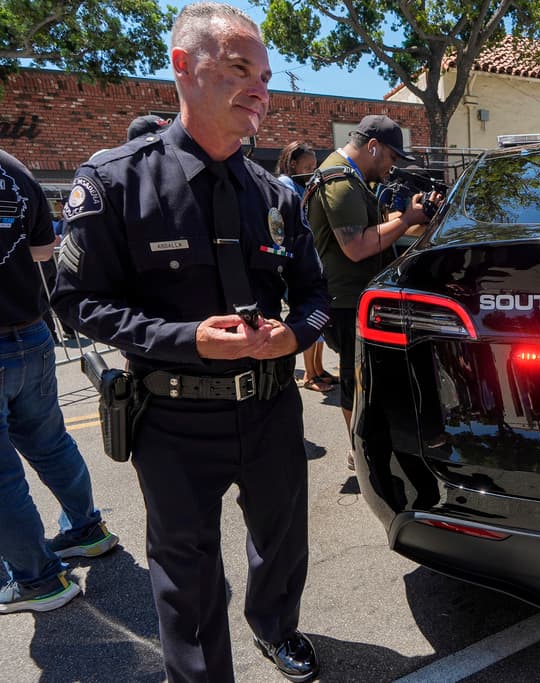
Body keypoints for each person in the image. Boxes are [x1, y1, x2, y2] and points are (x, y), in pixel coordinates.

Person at [51, 3, 329, 680]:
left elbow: (319, 299)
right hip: (173, 415)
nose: (259, 89)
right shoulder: (116, 181)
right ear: (182, 65)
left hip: (270, 407)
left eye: (264, 76)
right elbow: (76, 301)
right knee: (187, 570)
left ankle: (276, 627)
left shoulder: (276, 195)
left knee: (283, 540)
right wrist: (186, 339)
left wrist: (293, 335)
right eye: (239, 68)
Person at [0, 149, 119, 614]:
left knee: (4, 476)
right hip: (29, 330)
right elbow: (43, 249)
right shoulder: (11, 167)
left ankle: (37, 579)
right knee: (49, 442)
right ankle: (86, 529)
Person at [304, 114, 435, 448]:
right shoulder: (340, 181)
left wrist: (412, 216)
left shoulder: (354, 179)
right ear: (373, 147)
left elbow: (370, 227)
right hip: (346, 301)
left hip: (355, 297)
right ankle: (358, 450)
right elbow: (357, 246)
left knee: (366, 377)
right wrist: (406, 220)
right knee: (355, 378)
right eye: (392, 156)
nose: (392, 166)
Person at [275, 141, 335, 393]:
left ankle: (319, 368)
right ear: (292, 164)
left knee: (320, 314)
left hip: (313, 257)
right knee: (308, 314)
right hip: (297, 262)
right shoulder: (285, 185)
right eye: (307, 166)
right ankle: (309, 374)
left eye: (314, 166)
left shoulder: (301, 185)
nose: (312, 171)